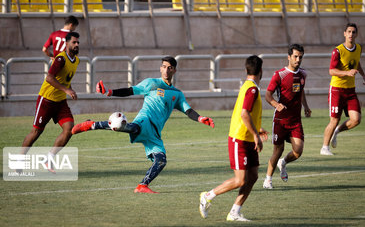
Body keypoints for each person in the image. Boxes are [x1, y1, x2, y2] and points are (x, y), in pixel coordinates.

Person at [71, 56, 215, 194]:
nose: (166, 70)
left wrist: (201, 118)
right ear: (160, 68)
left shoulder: (177, 94)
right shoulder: (151, 83)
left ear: (174, 71)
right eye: (164, 67)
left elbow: (188, 110)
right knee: (131, 127)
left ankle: (142, 185)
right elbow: (130, 90)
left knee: (161, 160)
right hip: (145, 119)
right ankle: (91, 125)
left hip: (155, 133)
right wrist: (109, 92)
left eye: (169, 68)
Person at [199, 55, 268, 222]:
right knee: (240, 179)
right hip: (240, 140)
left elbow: (243, 113)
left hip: (248, 138)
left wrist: (256, 129)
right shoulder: (251, 89)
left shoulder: (248, 86)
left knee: (253, 176)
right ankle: (207, 196)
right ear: (261, 71)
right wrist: (255, 135)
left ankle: (234, 212)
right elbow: (244, 114)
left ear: (246, 70)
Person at [20, 32, 80, 172]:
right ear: (66, 44)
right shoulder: (60, 59)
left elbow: (65, 79)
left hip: (60, 102)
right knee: (36, 132)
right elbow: (49, 78)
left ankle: (48, 159)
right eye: (74, 42)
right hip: (46, 100)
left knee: (69, 129)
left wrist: (70, 89)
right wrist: (66, 90)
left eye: (78, 42)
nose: (76, 45)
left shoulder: (76, 60)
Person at [263, 44, 311, 189]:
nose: (298, 59)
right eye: (295, 56)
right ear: (289, 57)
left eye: (300, 57)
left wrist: (306, 107)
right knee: (278, 150)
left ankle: (283, 163)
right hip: (280, 120)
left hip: (295, 120)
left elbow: (300, 92)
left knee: (298, 151)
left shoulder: (303, 74)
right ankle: (268, 180)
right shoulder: (280, 74)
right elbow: (267, 95)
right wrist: (275, 104)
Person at [320, 23, 365, 155]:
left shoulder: (358, 48)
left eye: (353, 32)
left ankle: (337, 131)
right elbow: (331, 71)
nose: (351, 34)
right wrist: (347, 73)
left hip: (350, 90)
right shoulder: (338, 50)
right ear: (344, 33)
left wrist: (363, 75)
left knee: (356, 119)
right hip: (337, 90)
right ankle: (324, 147)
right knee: (334, 120)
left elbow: (356, 62)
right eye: (349, 32)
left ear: (356, 34)